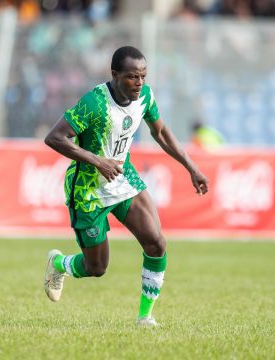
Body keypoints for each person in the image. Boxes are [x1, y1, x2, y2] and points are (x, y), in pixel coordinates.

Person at [43, 46, 209, 326]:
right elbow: (55, 138)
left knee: (156, 242)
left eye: (143, 76)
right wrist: (99, 162)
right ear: (115, 75)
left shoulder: (145, 96)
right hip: (88, 189)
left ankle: (145, 317)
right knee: (97, 268)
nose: (139, 83)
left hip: (122, 176)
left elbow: (161, 133)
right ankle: (59, 264)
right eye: (132, 77)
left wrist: (191, 168)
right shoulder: (94, 103)